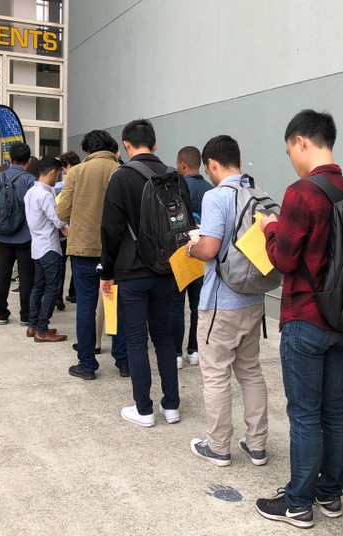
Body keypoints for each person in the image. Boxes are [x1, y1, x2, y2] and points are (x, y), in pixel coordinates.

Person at [254, 111, 343, 529]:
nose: (291, 160)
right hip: (342, 319)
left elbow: (284, 260)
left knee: (304, 413)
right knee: (334, 409)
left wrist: (270, 227)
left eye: (289, 151)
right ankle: (330, 495)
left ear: (301, 142)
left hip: (305, 318)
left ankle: (298, 502)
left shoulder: (302, 192)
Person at [185, 135, 268, 467]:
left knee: (216, 374)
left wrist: (192, 247)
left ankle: (218, 447)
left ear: (212, 164)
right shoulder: (260, 194)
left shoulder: (217, 196)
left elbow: (209, 249)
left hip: (221, 303)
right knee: (250, 372)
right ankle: (257, 445)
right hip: (254, 299)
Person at [100, 118, 182, 427]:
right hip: (167, 267)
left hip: (132, 269)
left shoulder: (121, 177)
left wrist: (106, 272)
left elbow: (110, 229)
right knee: (163, 337)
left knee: (135, 339)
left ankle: (144, 409)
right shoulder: (174, 177)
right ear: (156, 144)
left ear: (126, 146)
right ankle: (171, 405)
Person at [57, 131, 128, 379]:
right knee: (118, 305)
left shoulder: (76, 172)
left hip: (84, 249)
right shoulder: (121, 171)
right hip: (118, 250)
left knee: (86, 307)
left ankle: (87, 364)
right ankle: (123, 361)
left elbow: (62, 210)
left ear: (88, 150)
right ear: (112, 148)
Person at [172, 145, 213, 370]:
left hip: (179, 255)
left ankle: (176, 354)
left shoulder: (176, 188)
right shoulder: (210, 189)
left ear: (182, 164)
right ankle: (194, 351)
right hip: (203, 255)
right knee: (198, 305)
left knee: (176, 306)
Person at [0, 142, 37, 326]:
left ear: (10, 159)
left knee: (2, 273)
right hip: (24, 235)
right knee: (26, 277)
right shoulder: (30, 181)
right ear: (28, 160)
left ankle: (1, 314)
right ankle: (26, 315)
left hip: (1, 234)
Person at [24, 156, 69, 342]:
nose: (57, 177)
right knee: (52, 288)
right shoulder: (45, 195)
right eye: (57, 174)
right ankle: (42, 329)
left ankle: (33, 325)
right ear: (52, 172)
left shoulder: (30, 192)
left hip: (36, 246)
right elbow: (57, 220)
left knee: (38, 287)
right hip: (49, 247)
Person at [55, 150, 81, 310]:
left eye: (63, 169)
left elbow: (60, 211)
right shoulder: (87, 182)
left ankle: (58, 297)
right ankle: (74, 293)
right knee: (78, 264)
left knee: (61, 264)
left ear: (69, 166)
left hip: (65, 232)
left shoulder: (61, 187)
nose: (63, 172)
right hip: (81, 231)